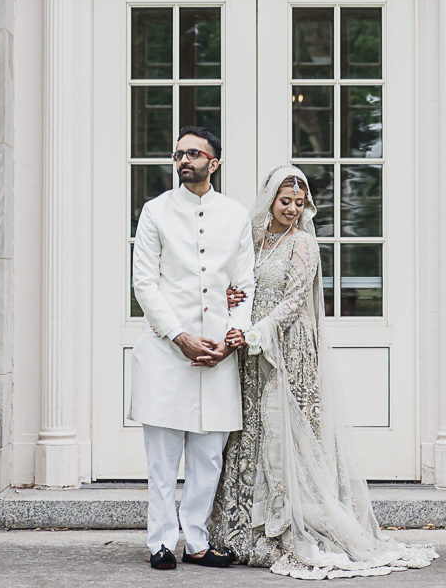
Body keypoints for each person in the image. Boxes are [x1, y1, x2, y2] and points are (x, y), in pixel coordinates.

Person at [209, 165, 438, 579]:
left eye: (300, 203)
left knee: (284, 434)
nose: (293, 210)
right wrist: (233, 299)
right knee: (250, 434)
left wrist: (256, 333)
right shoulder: (254, 240)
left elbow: (294, 301)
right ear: (269, 199)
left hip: (287, 349)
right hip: (250, 348)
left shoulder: (303, 245)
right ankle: (241, 525)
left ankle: (286, 524)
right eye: (285, 202)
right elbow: (243, 283)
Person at [131, 126, 256, 571]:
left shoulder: (235, 215)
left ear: (213, 163)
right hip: (167, 354)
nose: (184, 160)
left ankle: (197, 541)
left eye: (193, 154)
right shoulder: (155, 211)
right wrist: (180, 336)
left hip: (218, 355)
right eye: (179, 153)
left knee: (208, 459)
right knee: (163, 463)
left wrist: (230, 340)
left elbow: (245, 285)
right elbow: (144, 282)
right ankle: (161, 543)